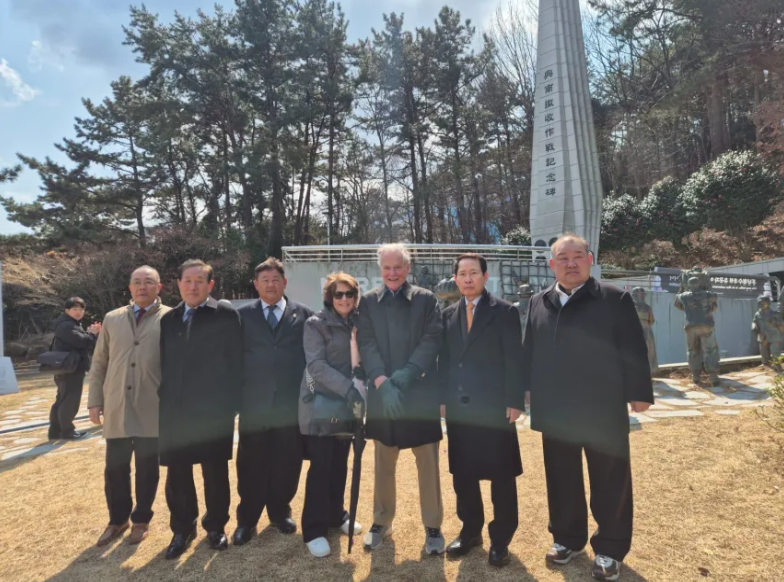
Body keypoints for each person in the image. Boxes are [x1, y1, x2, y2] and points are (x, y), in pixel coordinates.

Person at [521, 233, 654, 582]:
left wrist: (639, 392)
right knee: (561, 478)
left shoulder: (613, 298)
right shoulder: (539, 301)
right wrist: (525, 388)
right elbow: (529, 348)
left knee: (610, 479)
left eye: (578, 256)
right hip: (555, 409)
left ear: (590, 259)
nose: (571, 263)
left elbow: (634, 348)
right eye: (563, 258)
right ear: (552, 264)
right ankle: (568, 539)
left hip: (602, 406)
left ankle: (610, 548)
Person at [356, 243, 445, 555]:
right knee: (383, 462)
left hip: (419, 392)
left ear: (408, 268)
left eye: (398, 267)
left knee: (428, 464)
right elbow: (366, 343)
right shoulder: (368, 302)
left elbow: (432, 339)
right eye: (387, 268)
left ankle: (433, 526)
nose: (392, 273)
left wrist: (407, 373)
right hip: (384, 395)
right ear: (380, 269)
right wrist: (382, 381)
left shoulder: (426, 299)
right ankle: (381, 521)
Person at [438, 253, 525, 568]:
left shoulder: (504, 311)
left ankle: (500, 539)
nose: (468, 278)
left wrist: (514, 400)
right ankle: (471, 531)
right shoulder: (447, 315)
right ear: (456, 279)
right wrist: (442, 398)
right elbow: (444, 360)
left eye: (473, 272)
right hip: (459, 407)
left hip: (494, 407)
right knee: (463, 473)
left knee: (501, 474)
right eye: (462, 273)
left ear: (485, 276)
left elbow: (514, 358)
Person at [158, 259, 242, 559]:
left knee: (215, 471)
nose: (192, 286)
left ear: (210, 285)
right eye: (187, 281)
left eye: (199, 281)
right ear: (178, 284)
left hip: (213, 409)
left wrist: (231, 404)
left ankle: (216, 526)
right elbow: (164, 363)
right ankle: (182, 528)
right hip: (175, 409)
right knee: (177, 472)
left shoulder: (225, 315)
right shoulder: (169, 319)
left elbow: (236, 361)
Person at [233, 258, 314, 546]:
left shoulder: (304, 315)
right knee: (250, 462)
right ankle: (247, 518)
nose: (270, 284)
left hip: (290, 404)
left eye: (275, 279)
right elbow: (232, 359)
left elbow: (312, 359)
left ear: (285, 282)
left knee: (287, 460)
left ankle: (280, 511)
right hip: (254, 403)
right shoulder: (241, 316)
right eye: (264, 280)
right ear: (256, 284)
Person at [88, 266, 170, 546]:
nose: (142, 287)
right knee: (115, 467)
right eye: (137, 282)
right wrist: (95, 400)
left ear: (159, 287)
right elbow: (99, 362)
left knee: (147, 468)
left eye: (149, 282)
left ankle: (141, 519)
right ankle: (117, 519)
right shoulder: (112, 318)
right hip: (117, 403)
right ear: (130, 287)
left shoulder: (170, 317)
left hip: (152, 404)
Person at [298, 272, 366, 557]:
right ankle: (314, 528)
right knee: (322, 466)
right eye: (338, 294)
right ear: (329, 297)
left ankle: (336, 514)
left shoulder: (359, 321)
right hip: (323, 403)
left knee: (340, 463)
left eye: (349, 294)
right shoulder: (316, 324)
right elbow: (316, 366)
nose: (344, 299)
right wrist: (348, 388)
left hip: (350, 403)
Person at [48, 297, 101, 440]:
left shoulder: (69, 323)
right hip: (70, 368)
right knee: (70, 400)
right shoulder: (67, 325)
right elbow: (82, 342)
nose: (79, 312)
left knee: (62, 399)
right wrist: (92, 333)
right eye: (75, 309)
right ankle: (67, 431)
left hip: (66, 367)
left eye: (81, 309)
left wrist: (88, 333)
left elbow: (80, 340)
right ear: (67, 310)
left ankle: (55, 431)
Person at [674, 276, 720, 385]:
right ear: (700, 284)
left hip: (691, 327)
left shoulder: (683, 296)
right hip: (706, 325)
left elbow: (677, 304)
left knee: (692, 350)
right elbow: (714, 305)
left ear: (688, 285)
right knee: (710, 350)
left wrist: (687, 309)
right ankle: (713, 376)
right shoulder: (708, 294)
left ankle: (695, 375)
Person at [631, 287, 659, 375]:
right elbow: (651, 321)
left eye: (643, 295)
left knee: (648, 351)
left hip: (642, 332)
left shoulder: (646, 308)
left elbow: (651, 320)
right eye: (641, 294)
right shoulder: (630, 307)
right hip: (641, 332)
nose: (642, 296)